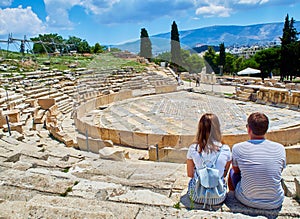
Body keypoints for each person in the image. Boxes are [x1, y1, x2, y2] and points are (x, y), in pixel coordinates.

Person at [228, 112, 286, 210]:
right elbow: (280, 171)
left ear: (249, 129)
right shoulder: (280, 148)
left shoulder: (237, 148)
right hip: (275, 201)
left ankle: (232, 195)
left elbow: (236, 171)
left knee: (232, 172)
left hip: (246, 200)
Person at [186, 113, 231, 205]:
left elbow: (190, 174)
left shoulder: (193, 148)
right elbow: (225, 173)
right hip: (218, 197)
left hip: (196, 196)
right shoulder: (225, 149)